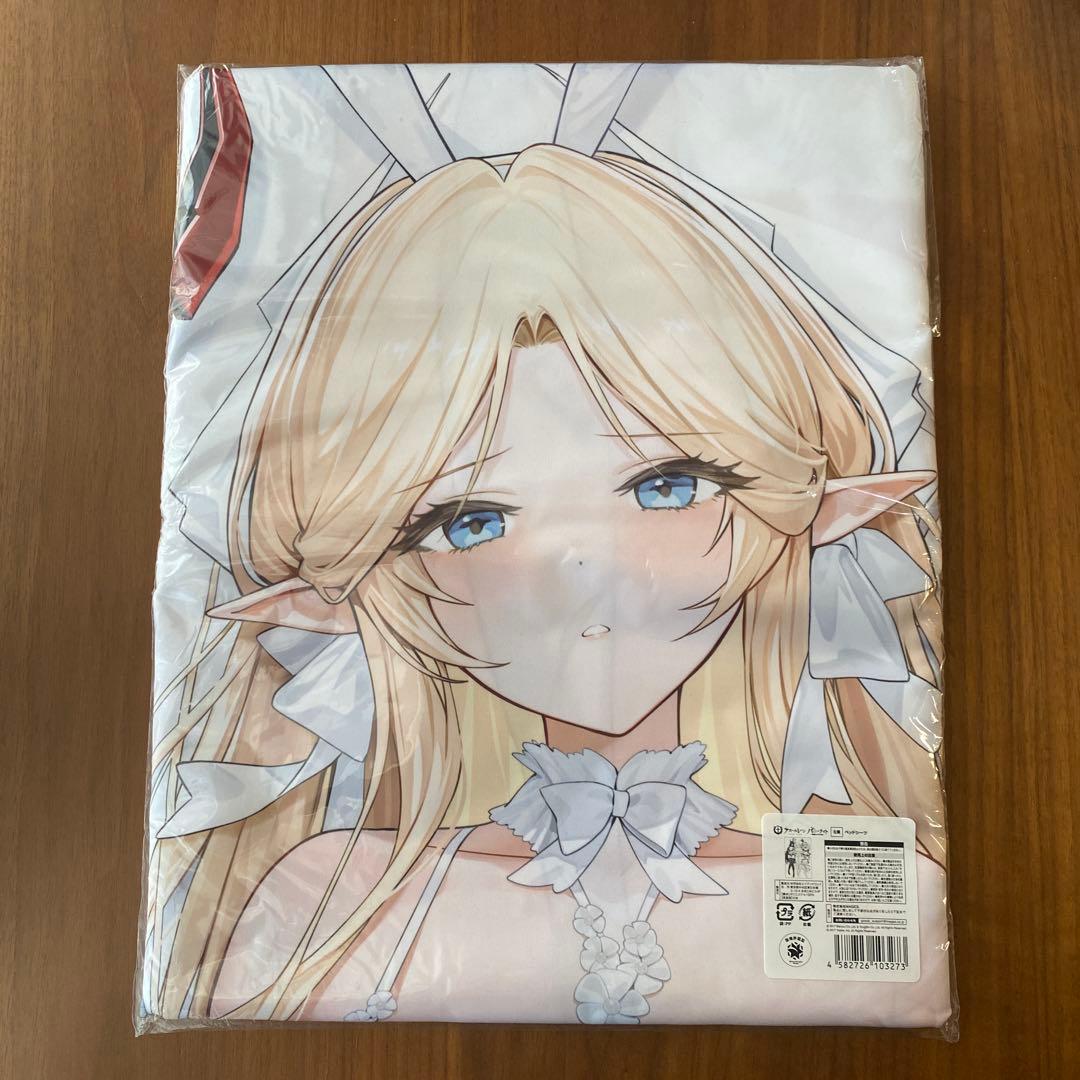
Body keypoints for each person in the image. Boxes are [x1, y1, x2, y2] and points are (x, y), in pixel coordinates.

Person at [148, 145, 948, 1026]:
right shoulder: (317, 906)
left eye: (667, 487)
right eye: (470, 524)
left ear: (792, 508)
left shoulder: (888, 900)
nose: (583, 575)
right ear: (362, 580)